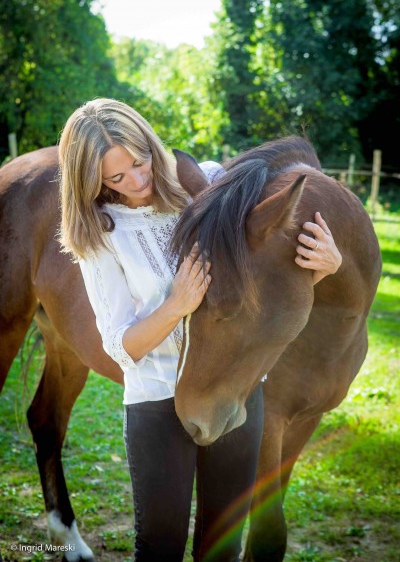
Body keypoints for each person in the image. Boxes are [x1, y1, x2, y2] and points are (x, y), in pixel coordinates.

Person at [58, 98, 342, 561]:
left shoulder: (207, 185)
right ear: (92, 182)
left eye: (138, 160)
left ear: (149, 143)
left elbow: (266, 270)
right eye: (116, 178)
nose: (136, 180)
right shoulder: (101, 235)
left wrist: (327, 264)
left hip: (234, 389)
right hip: (158, 402)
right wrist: (176, 306)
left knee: (222, 547)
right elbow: (119, 347)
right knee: (160, 548)